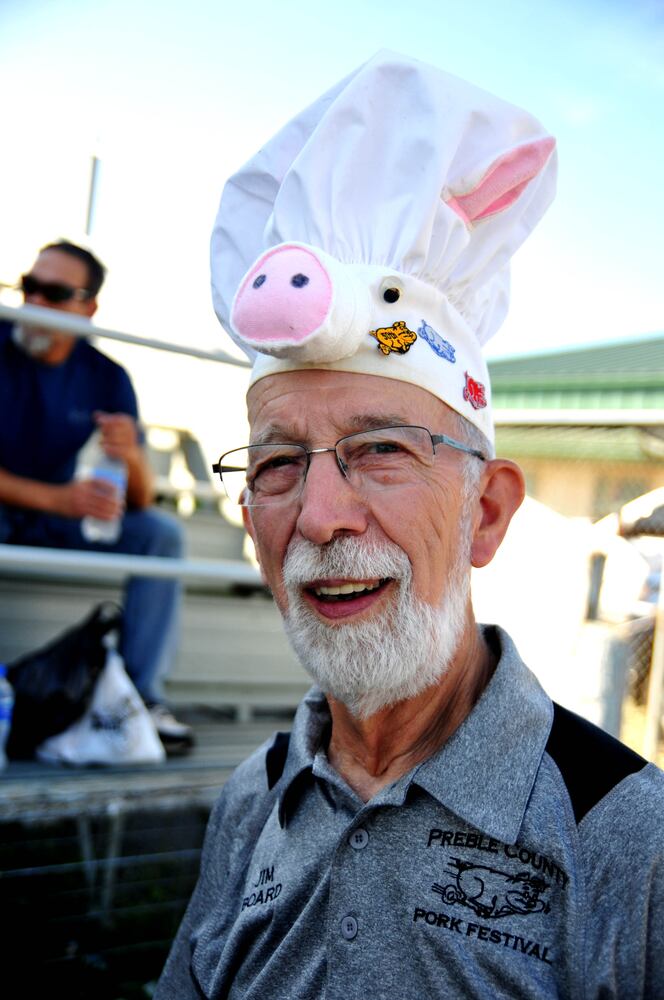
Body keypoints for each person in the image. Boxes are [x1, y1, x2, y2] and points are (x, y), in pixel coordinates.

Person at [155, 52, 664, 997]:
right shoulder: (253, 798)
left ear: (488, 511)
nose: (317, 515)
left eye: (380, 449)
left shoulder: (626, 838)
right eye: (276, 463)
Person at [0, 239, 193, 754]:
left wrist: (129, 456)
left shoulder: (106, 374)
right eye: (29, 286)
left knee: (161, 535)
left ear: (88, 309)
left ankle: (137, 699)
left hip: (54, 518)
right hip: (36, 506)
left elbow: (145, 499)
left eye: (55, 292)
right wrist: (60, 500)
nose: (35, 302)